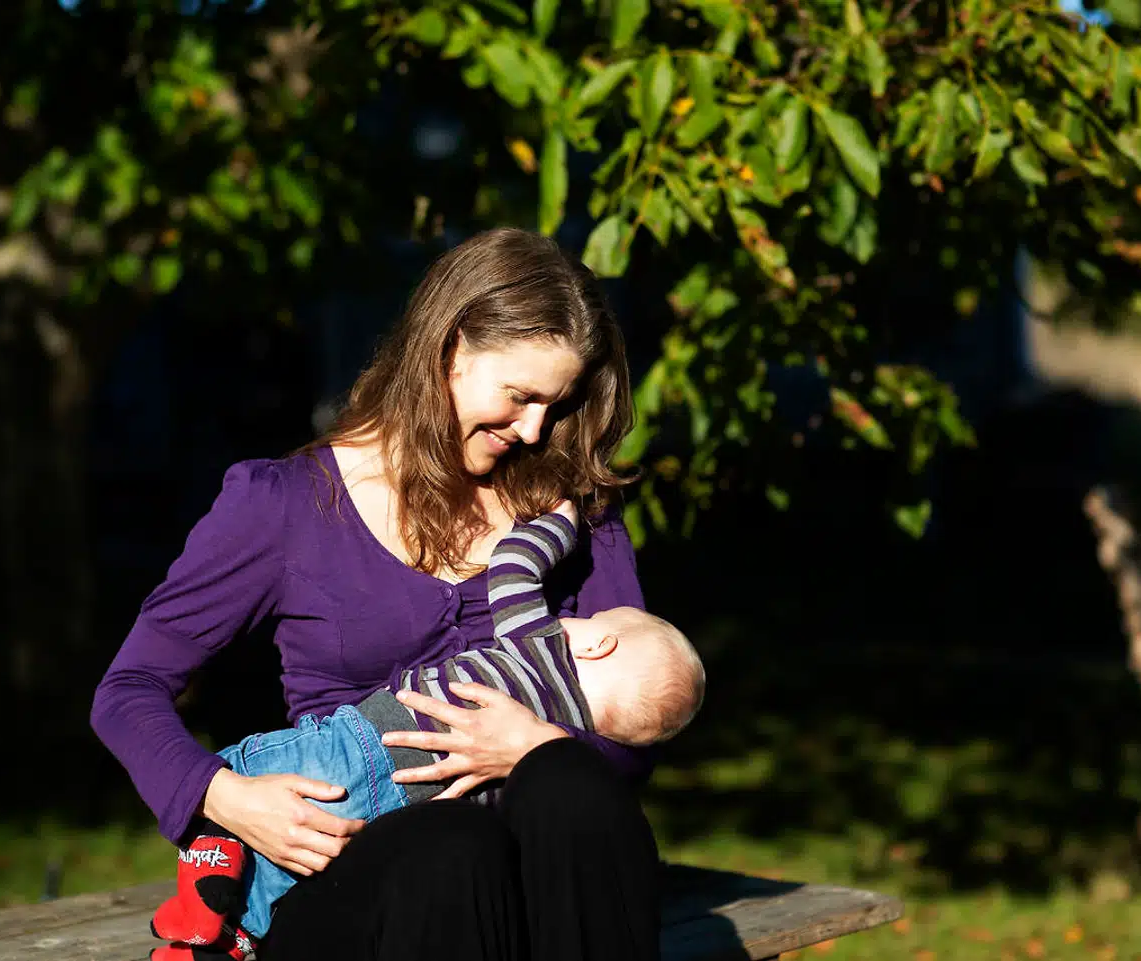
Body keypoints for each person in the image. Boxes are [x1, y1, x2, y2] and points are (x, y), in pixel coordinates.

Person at [92, 227, 670, 961]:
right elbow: (128, 689)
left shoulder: (572, 509)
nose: (534, 430)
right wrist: (229, 797)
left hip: (540, 883)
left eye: (554, 407)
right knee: (449, 844)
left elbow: (642, 721)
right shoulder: (284, 505)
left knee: (569, 782)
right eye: (521, 396)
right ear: (450, 347)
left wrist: (535, 745)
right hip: (360, 882)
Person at [144, 502, 705, 956]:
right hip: (418, 814)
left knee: (271, 781)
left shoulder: (543, 641)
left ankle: (212, 876)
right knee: (432, 835)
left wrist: (557, 520)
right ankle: (226, 936)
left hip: (373, 741)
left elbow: (513, 568)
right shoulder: (573, 722)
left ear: (595, 642)